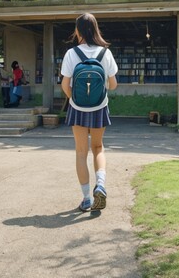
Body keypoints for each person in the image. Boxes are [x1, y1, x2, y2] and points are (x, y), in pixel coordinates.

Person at [61, 13, 118, 212]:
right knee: (98, 148)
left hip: (77, 109)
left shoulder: (71, 53)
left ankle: (86, 199)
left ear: (78, 30)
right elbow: (113, 84)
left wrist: (74, 100)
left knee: (80, 152)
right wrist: (99, 92)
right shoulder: (105, 53)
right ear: (95, 29)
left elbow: (65, 84)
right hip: (100, 107)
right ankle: (100, 184)